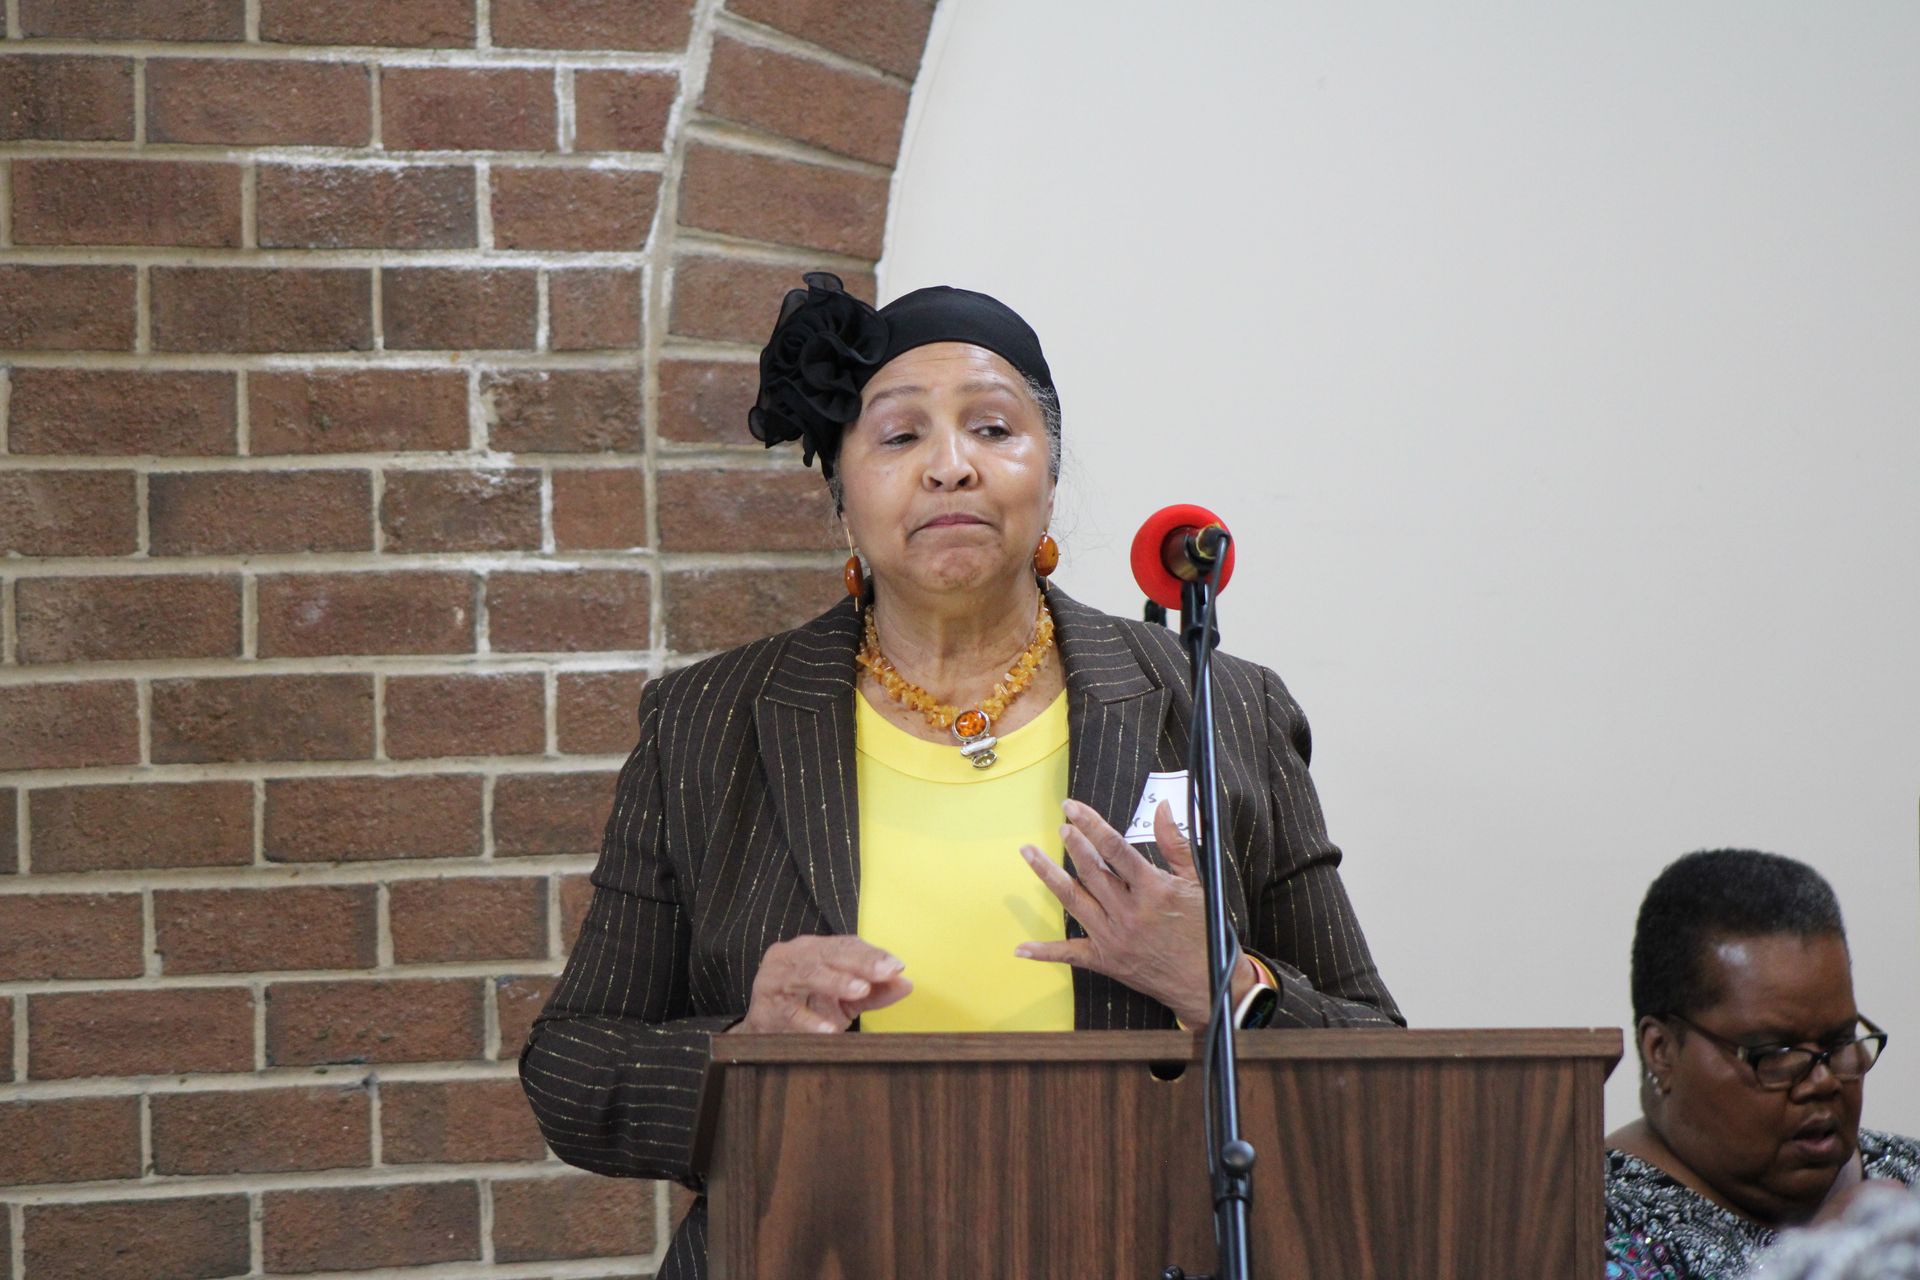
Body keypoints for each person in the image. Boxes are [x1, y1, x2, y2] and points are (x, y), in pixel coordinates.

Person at [520, 272, 1401, 1279]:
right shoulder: (708, 723)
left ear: (1049, 475)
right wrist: (746, 1045)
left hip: (1140, 1250)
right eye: (899, 437)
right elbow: (572, 1066)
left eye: (993, 428)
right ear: (842, 497)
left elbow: (1381, 1054)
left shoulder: (1218, 704)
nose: (951, 467)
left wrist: (1230, 984)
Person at [1605, 849, 1920, 1278]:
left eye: (1840, 1041)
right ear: (1662, 1050)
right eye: (1777, 1053)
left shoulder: (1906, 1184)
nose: (1823, 1081)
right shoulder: (1586, 1229)